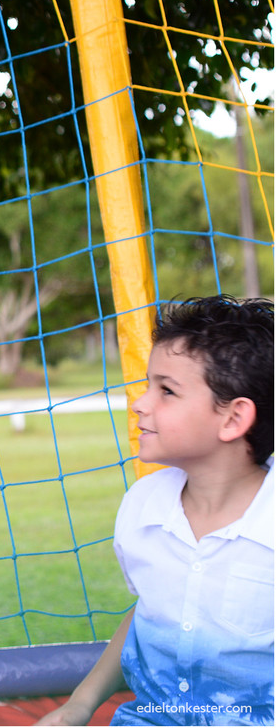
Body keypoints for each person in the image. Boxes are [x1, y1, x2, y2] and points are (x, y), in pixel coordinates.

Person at [38, 295, 273, 726]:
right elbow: (151, 612)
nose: (139, 403)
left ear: (233, 418)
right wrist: (80, 704)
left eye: (166, 390)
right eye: (147, 385)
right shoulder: (143, 506)